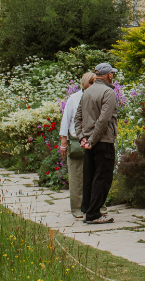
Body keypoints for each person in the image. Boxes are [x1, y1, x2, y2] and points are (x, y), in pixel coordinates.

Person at [75, 62, 119, 224]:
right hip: (103, 141)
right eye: (112, 74)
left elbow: (77, 117)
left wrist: (82, 138)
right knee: (103, 177)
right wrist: (92, 140)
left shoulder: (87, 92)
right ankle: (94, 214)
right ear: (108, 75)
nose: (112, 76)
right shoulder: (108, 93)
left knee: (90, 176)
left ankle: (88, 209)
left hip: (88, 142)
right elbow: (103, 120)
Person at [59, 72, 94, 218]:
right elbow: (65, 121)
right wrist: (63, 143)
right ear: (86, 83)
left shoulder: (97, 97)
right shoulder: (73, 99)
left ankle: (95, 206)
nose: (94, 85)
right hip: (76, 142)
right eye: (91, 82)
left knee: (94, 176)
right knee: (76, 177)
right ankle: (77, 208)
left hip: (93, 141)